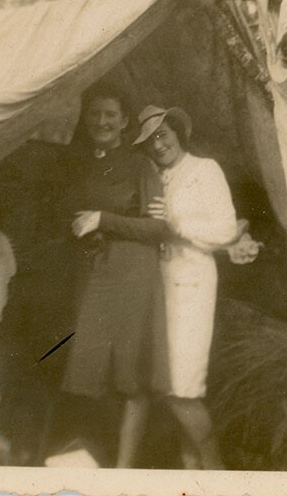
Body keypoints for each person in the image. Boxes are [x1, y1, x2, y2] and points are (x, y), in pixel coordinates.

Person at [57, 85, 167, 468]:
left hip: (131, 275)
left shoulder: (140, 166)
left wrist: (104, 220)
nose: (101, 122)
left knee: (126, 372)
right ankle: (89, 458)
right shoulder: (82, 161)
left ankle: (121, 466)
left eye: (110, 115)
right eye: (95, 114)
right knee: (88, 370)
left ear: (123, 121)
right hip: (93, 272)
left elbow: (158, 228)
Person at [132, 104, 238, 470]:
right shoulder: (153, 178)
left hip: (191, 287)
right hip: (158, 288)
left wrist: (176, 224)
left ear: (178, 131)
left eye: (163, 135)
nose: (158, 146)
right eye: (149, 141)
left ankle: (217, 473)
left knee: (183, 388)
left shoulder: (204, 170)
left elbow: (225, 232)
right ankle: (191, 472)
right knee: (166, 385)